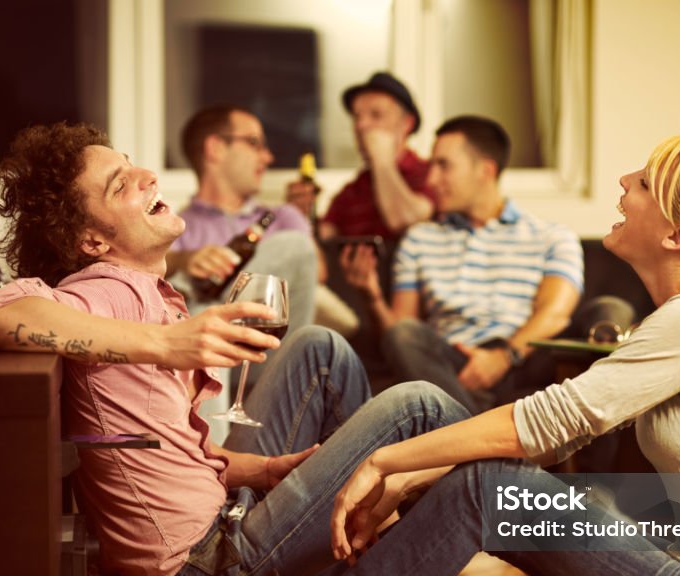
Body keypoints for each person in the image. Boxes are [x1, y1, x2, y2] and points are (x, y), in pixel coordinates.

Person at [155, 135, 680, 576]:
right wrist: (414, 472)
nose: (624, 181)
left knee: (486, 487)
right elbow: (538, 439)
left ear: (679, 233)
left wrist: (387, 463)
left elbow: (548, 423)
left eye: (644, 182)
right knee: (434, 413)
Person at [0, 122, 525, 576]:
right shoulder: (105, 291)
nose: (146, 176)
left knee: (320, 349)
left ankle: (384, 562)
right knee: (416, 407)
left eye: (134, 165)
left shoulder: (147, 292)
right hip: (209, 574)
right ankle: (445, 562)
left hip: (225, 520)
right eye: (122, 184)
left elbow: (175, 450)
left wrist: (264, 470)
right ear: (93, 241)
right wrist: (167, 344)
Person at [344, 115, 584, 414]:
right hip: (449, 366)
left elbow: (554, 315)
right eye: (432, 165)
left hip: (522, 360)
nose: (431, 180)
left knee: (598, 325)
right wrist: (372, 297)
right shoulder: (420, 239)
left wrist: (502, 357)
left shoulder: (553, 237)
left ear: (485, 170)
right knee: (404, 334)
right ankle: (477, 438)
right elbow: (399, 330)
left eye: (444, 165)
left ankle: (458, 432)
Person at [168, 104, 357, 342]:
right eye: (254, 143)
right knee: (187, 304)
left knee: (295, 245)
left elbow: (314, 271)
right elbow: (153, 276)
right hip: (206, 353)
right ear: (215, 148)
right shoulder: (175, 227)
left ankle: (214, 315)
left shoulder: (283, 216)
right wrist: (186, 260)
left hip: (270, 350)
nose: (268, 157)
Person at [287, 71, 436, 243]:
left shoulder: (430, 175)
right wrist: (298, 216)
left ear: (407, 123)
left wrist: (382, 161)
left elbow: (404, 221)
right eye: (357, 117)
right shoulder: (351, 192)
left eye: (376, 115)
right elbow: (322, 242)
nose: (361, 125)